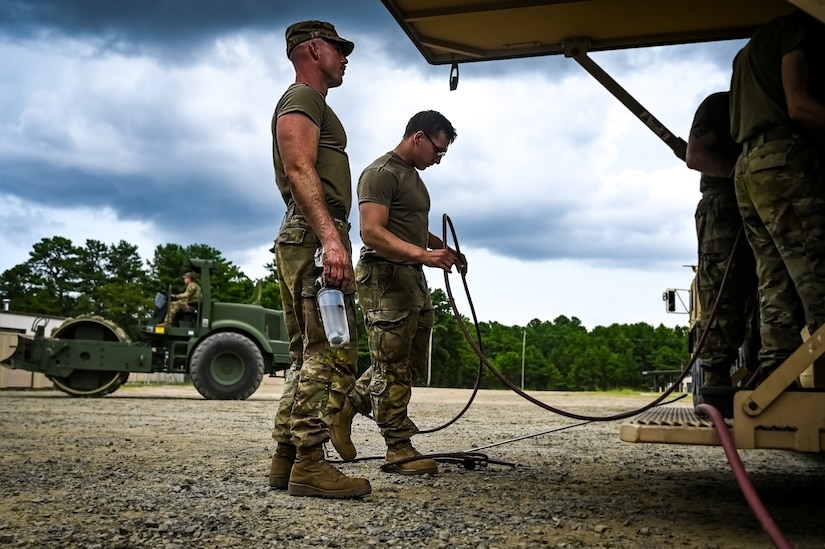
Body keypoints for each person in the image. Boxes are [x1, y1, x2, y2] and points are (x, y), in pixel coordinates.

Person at [330, 110, 465, 475]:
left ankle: (345, 407)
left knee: (405, 363)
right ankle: (397, 448)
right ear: (418, 137)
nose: (438, 160)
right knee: (391, 364)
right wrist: (424, 255)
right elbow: (372, 232)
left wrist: (442, 251)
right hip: (385, 277)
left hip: (412, 279)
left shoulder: (414, 180)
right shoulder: (381, 174)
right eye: (437, 151)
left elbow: (412, 230)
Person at [267, 20, 370, 499]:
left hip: (304, 233)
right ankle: (310, 461)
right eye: (338, 48)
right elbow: (298, 166)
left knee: (305, 353)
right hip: (314, 233)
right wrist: (331, 240)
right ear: (313, 49)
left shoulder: (312, 102)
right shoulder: (303, 98)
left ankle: (286, 458)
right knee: (329, 351)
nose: (345, 57)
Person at [729, 9, 825, 383]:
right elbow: (798, 103)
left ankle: (776, 368)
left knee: (774, 276)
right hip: (782, 159)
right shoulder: (795, 30)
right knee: (814, 263)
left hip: (747, 168)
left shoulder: (747, 53)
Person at [685, 91, 760, 394]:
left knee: (768, 291)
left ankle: (765, 373)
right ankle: (716, 384)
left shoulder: (771, 105)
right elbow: (696, 156)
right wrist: (740, 176)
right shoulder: (720, 105)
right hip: (725, 206)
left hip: (763, 202)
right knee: (722, 293)